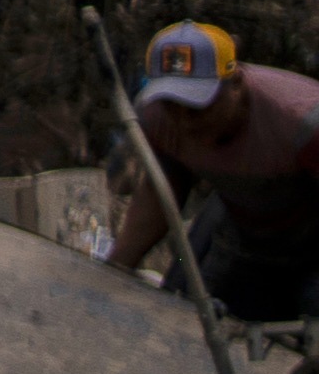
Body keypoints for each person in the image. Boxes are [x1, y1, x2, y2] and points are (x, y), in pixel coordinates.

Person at [125, 20, 319, 319]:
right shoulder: (156, 118)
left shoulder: (301, 124)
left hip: (311, 243)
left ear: (237, 84)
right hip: (246, 231)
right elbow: (160, 195)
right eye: (172, 106)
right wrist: (115, 269)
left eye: (198, 108)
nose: (184, 122)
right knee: (187, 320)